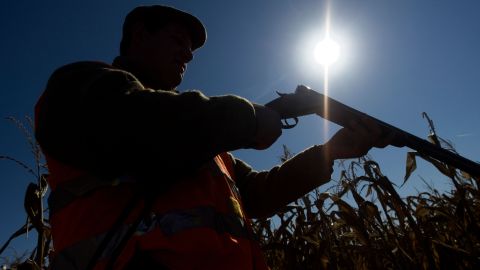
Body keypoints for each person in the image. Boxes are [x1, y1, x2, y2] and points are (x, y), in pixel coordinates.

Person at [35, 5, 391, 270]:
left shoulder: (205, 143)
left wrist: (329, 153)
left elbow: (256, 195)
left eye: (190, 48)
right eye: (177, 40)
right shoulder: (82, 85)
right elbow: (135, 122)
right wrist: (250, 118)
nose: (189, 54)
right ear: (139, 35)